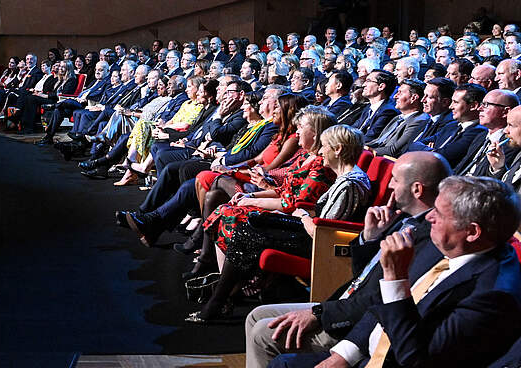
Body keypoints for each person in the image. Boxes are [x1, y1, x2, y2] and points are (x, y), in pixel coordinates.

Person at [273, 176, 521, 368]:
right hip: (367, 353)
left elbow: (416, 359)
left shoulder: (494, 295)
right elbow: (381, 302)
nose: (429, 218)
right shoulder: (450, 246)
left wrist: (395, 278)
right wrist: (344, 355)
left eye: (440, 213)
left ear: (473, 231)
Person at [243, 151, 452, 367]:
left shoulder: (432, 237)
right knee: (256, 316)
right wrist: (369, 237)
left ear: (417, 189)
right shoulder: (401, 218)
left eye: (395, 180)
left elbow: (383, 297)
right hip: (344, 301)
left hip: (357, 322)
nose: (389, 185)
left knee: (263, 334)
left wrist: (318, 313)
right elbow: (361, 276)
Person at [186, 123, 372, 323]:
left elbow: (325, 231)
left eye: (325, 146)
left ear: (338, 149)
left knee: (246, 232)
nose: (321, 151)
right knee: (248, 223)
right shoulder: (344, 178)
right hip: (309, 231)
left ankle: (219, 300)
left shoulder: (350, 183)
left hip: (320, 246)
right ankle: (226, 296)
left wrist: (302, 215)